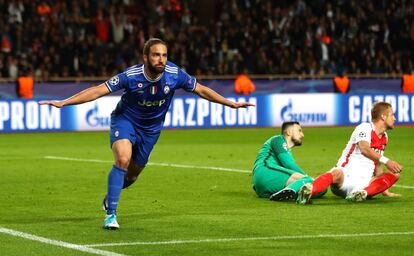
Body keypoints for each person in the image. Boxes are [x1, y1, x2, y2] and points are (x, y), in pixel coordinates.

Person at [39, 38, 255, 230]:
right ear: (145, 57)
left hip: (151, 129)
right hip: (125, 121)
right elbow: (98, 90)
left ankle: (110, 196)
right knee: (122, 159)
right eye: (156, 55)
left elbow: (201, 89)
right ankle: (111, 214)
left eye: (164, 55)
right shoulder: (130, 76)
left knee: (132, 176)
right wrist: (64, 102)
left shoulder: (175, 74)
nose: (161, 59)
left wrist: (229, 103)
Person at [296, 102, 403, 205]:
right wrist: (387, 161)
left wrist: (384, 189)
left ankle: (362, 194)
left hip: (364, 182)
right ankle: (309, 191)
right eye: (392, 115)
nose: (394, 118)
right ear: (383, 116)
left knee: (395, 173)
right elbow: (364, 149)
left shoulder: (385, 137)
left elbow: (377, 163)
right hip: (345, 176)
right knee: (336, 173)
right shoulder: (365, 128)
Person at [252, 121, 324, 202]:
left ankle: (286, 194)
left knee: (319, 189)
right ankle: (291, 190)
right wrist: (307, 177)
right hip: (265, 172)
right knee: (310, 181)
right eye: (299, 130)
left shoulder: (286, 150)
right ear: (289, 132)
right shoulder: (278, 139)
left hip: (265, 186)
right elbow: (289, 164)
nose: (302, 135)